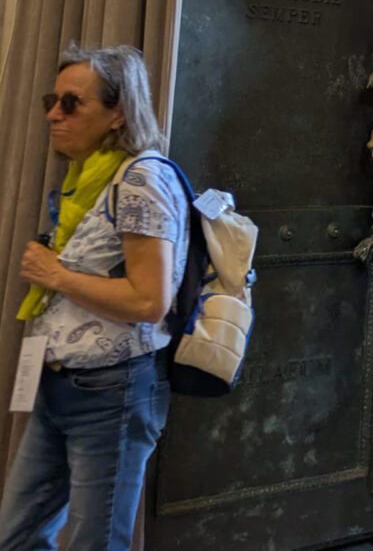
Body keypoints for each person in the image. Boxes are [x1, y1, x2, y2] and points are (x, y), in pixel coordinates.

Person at [0, 45, 187, 549]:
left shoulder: (141, 180)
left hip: (112, 391)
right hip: (60, 385)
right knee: (15, 536)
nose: (52, 114)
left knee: (94, 543)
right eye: (52, 100)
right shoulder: (86, 176)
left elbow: (150, 300)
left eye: (70, 103)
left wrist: (55, 274)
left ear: (118, 112)